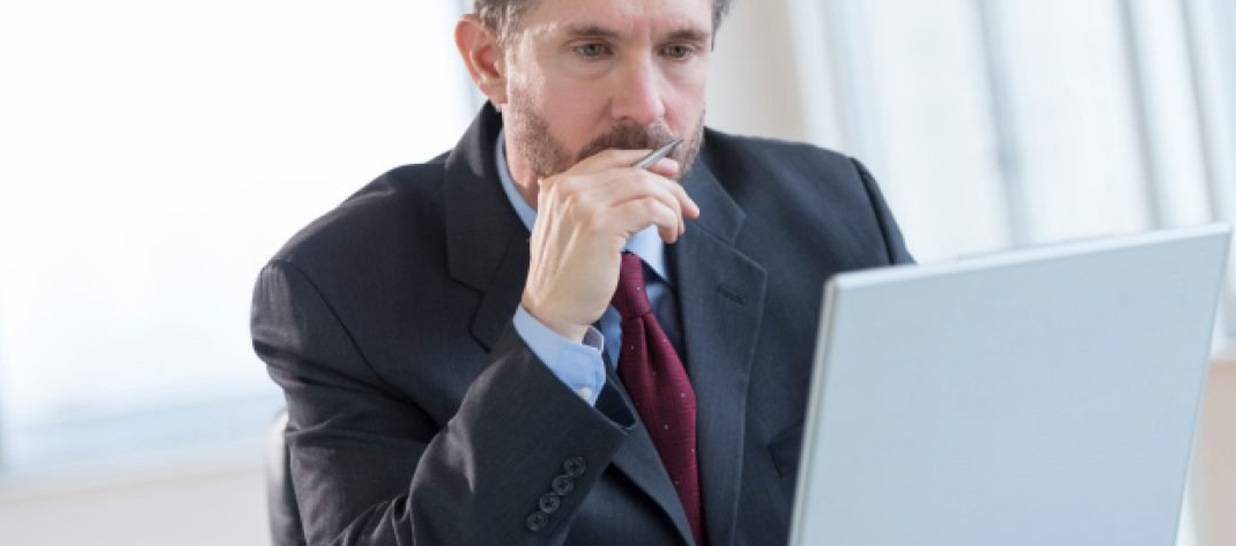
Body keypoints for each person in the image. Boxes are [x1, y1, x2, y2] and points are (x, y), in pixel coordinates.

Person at [250, 0, 912, 543]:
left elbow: (946, 470)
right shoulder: (334, 286)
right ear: (489, 62)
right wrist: (548, 334)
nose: (646, 108)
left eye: (679, 51)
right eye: (592, 51)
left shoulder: (835, 208)